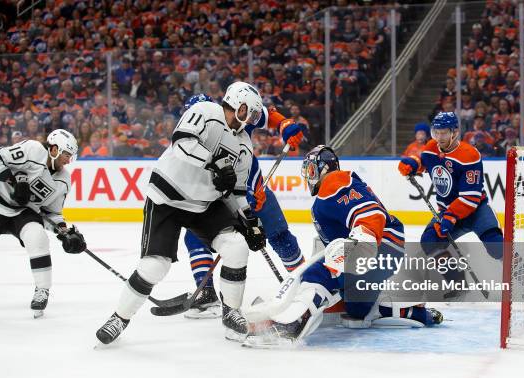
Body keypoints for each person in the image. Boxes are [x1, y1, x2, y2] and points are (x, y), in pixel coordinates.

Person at [95, 82, 268, 344]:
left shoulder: (244, 144)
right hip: (168, 197)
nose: (250, 119)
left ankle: (231, 312)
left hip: (204, 205)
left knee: (237, 246)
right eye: (248, 112)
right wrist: (216, 164)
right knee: (155, 266)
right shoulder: (206, 111)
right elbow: (182, 143)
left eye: (254, 116)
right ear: (235, 102)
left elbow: (237, 191)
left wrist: (249, 220)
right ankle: (119, 317)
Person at [243, 146, 442, 347]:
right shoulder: (328, 194)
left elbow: (370, 213)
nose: (308, 177)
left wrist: (363, 237)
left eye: (312, 171)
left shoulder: (334, 180)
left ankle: (290, 325)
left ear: (325, 169)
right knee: (356, 309)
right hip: (385, 249)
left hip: (377, 245)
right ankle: (416, 312)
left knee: (319, 274)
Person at [179, 93, 306, 319]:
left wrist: (285, 124)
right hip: (226, 202)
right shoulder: (189, 144)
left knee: (279, 236)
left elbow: (266, 115)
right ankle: (207, 294)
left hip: (256, 193)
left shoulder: (235, 119)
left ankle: (305, 283)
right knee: (195, 236)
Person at [0, 130, 87, 317]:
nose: (68, 161)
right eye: (66, 155)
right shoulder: (33, 149)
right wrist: (12, 180)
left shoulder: (63, 180)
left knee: (37, 236)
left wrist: (64, 232)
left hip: (23, 212)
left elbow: (51, 213)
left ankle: (42, 290)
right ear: (54, 149)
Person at [398, 112, 503, 292]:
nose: (439, 137)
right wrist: (413, 164)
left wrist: (450, 217)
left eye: (444, 133)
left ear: (454, 132)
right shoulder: (432, 147)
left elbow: (470, 197)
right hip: (448, 210)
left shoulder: (469, 155)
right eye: (436, 132)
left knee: (496, 245)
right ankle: (458, 283)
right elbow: (423, 162)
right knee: (430, 241)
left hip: (476, 210)